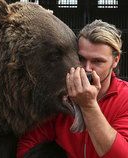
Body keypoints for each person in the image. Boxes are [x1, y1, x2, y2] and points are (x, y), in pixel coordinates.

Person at [17, 20, 128, 158]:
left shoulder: (125, 98)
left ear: (115, 60)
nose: (87, 68)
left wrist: (88, 105)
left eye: (97, 61)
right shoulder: (60, 95)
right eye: (81, 59)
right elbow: (28, 144)